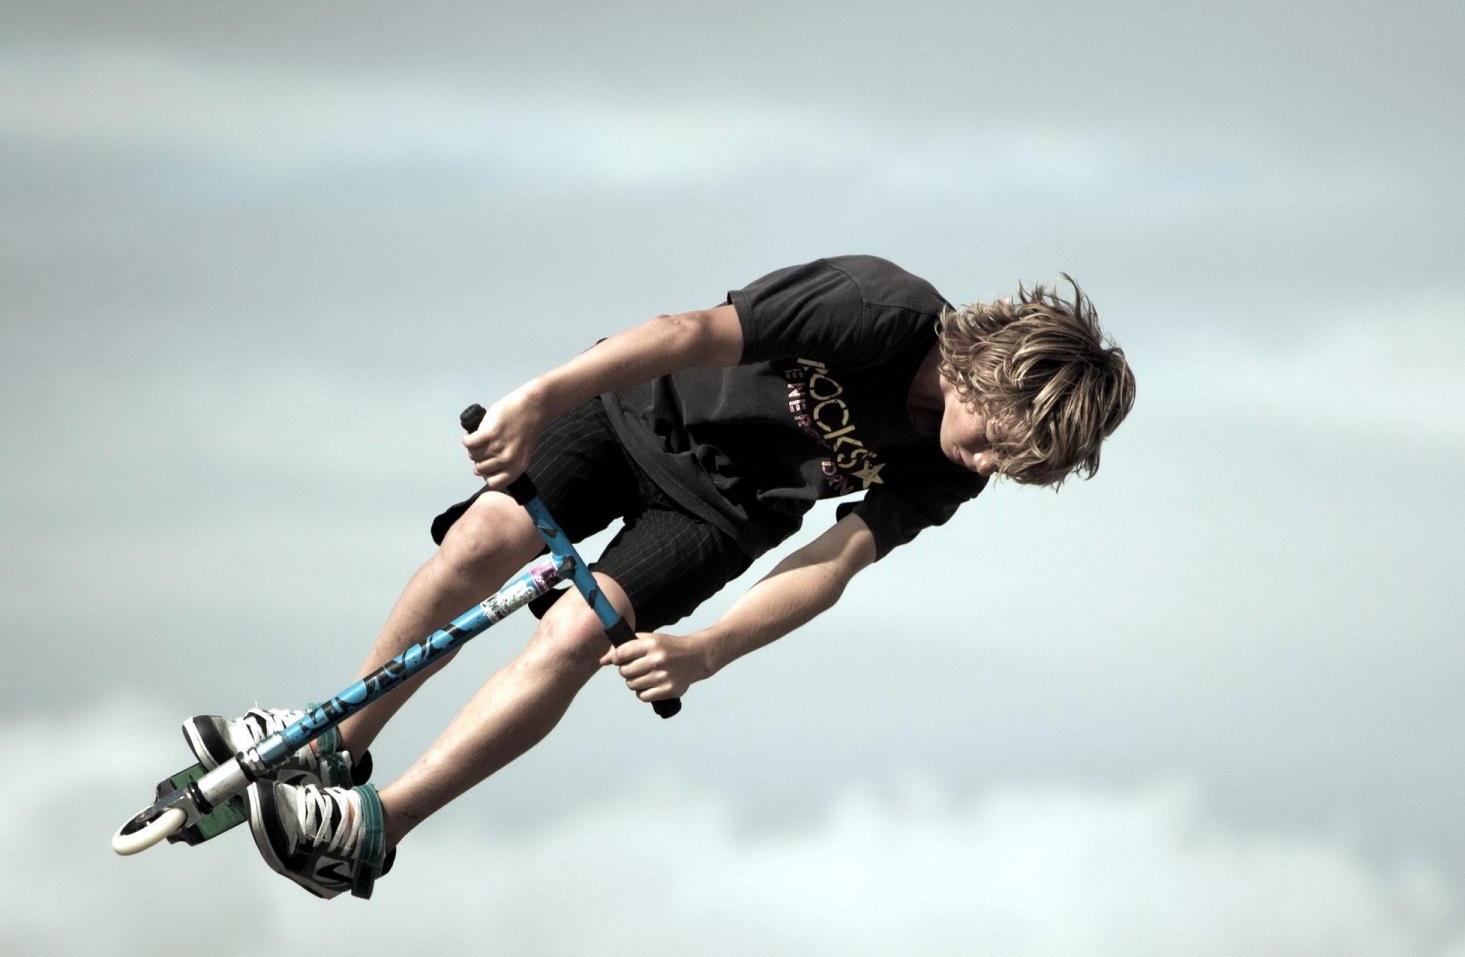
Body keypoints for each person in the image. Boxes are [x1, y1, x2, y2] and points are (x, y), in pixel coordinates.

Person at [184, 255, 1135, 898]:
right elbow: (685, 333)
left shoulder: (944, 470)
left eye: (1008, 468)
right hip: (634, 409)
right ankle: (334, 745)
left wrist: (705, 651)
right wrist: (535, 401)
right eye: (993, 443)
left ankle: (371, 832)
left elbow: (832, 562)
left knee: (576, 633)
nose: (983, 468)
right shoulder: (875, 306)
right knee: (480, 544)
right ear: (984, 376)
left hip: (718, 516)